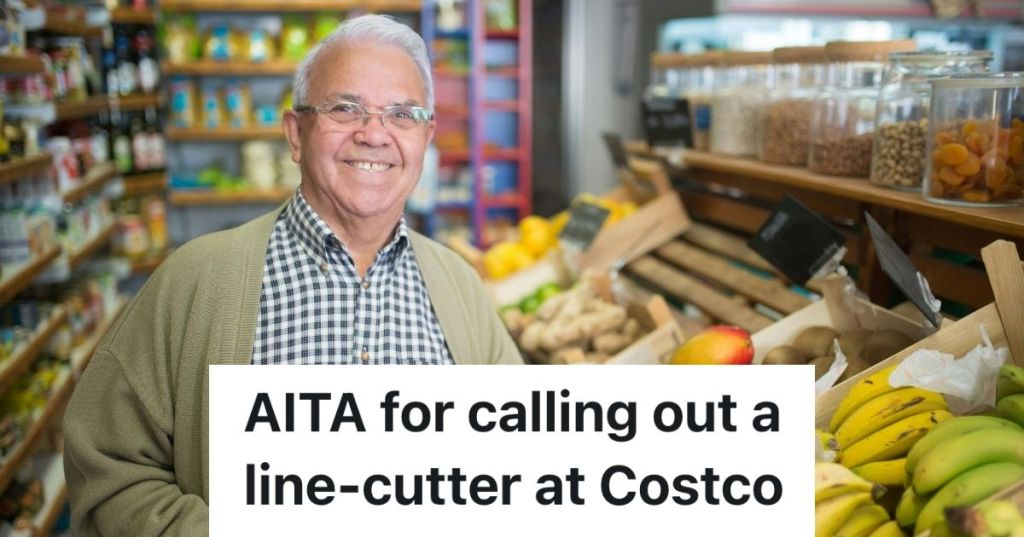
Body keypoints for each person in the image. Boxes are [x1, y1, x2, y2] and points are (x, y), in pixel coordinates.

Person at [63, 15, 522, 536]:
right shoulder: (194, 281)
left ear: (425, 138)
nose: (375, 134)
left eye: (402, 114)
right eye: (345, 108)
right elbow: (108, 469)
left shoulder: (460, 288)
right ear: (295, 133)